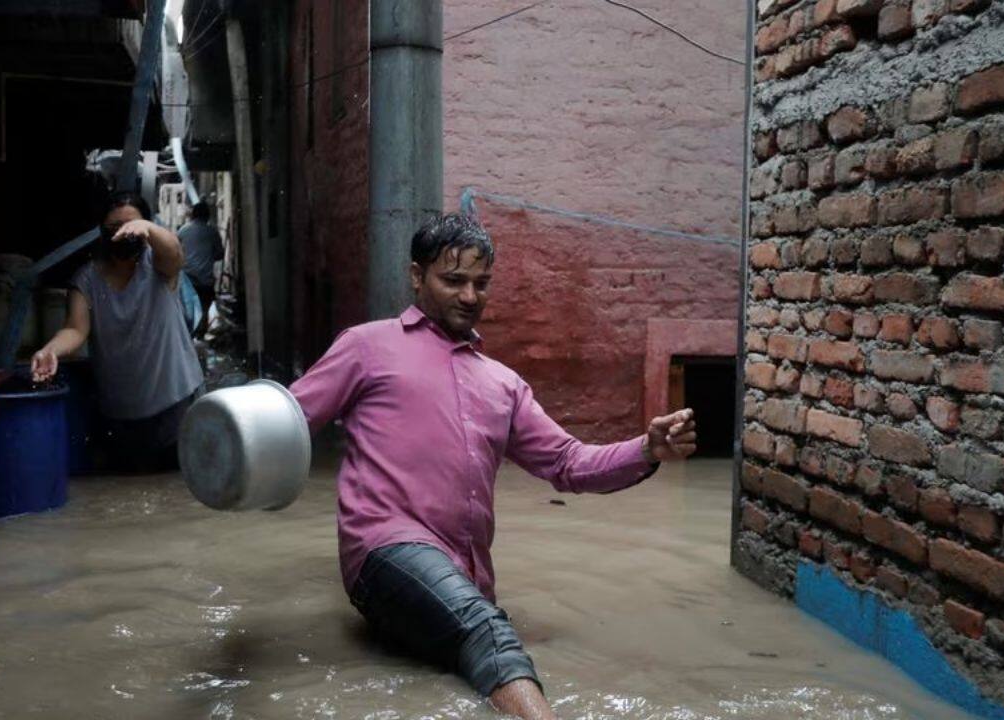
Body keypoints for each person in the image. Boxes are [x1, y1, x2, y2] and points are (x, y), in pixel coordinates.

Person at [288, 214, 697, 720]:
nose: (469, 296)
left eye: (481, 284)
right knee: (488, 632)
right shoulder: (367, 347)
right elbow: (286, 420)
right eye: (453, 280)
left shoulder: (502, 384)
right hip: (383, 550)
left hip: (460, 582)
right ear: (417, 276)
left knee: (469, 641)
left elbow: (567, 463)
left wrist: (647, 450)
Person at [31, 193, 203, 473]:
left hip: (176, 401)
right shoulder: (86, 279)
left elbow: (174, 253)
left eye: (131, 226)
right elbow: (75, 329)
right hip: (121, 411)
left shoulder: (158, 265)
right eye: (114, 228)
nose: (123, 234)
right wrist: (50, 350)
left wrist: (149, 228)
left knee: (181, 489)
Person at [176, 201, 223, 328]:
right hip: (204, 280)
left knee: (186, 310)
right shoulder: (212, 232)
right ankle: (200, 335)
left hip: (186, 279)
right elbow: (220, 254)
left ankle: (189, 335)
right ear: (207, 216)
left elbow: (176, 252)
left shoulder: (182, 231)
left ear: (192, 215)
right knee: (203, 310)